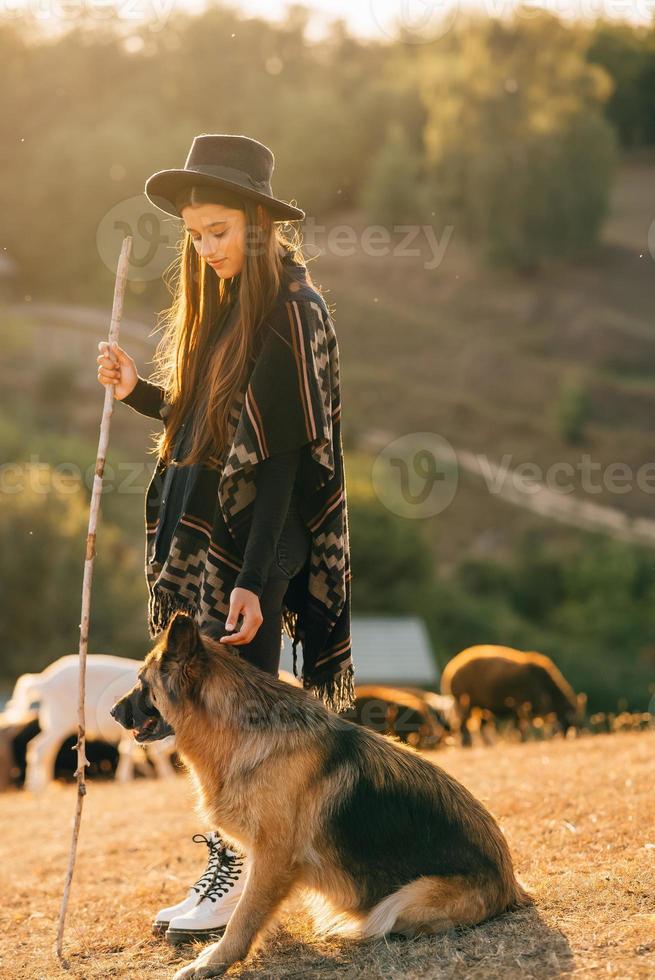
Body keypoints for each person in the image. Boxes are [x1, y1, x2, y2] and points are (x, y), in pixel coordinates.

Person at [96, 134, 354, 944]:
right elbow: (204, 425)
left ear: (258, 222)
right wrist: (140, 392)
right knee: (204, 722)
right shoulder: (224, 309)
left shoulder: (291, 310)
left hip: (254, 549)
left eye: (218, 230)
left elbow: (280, 464)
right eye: (196, 234)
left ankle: (241, 876)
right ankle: (228, 867)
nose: (206, 248)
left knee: (238, 723)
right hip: (200, 542)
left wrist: (251, 580)